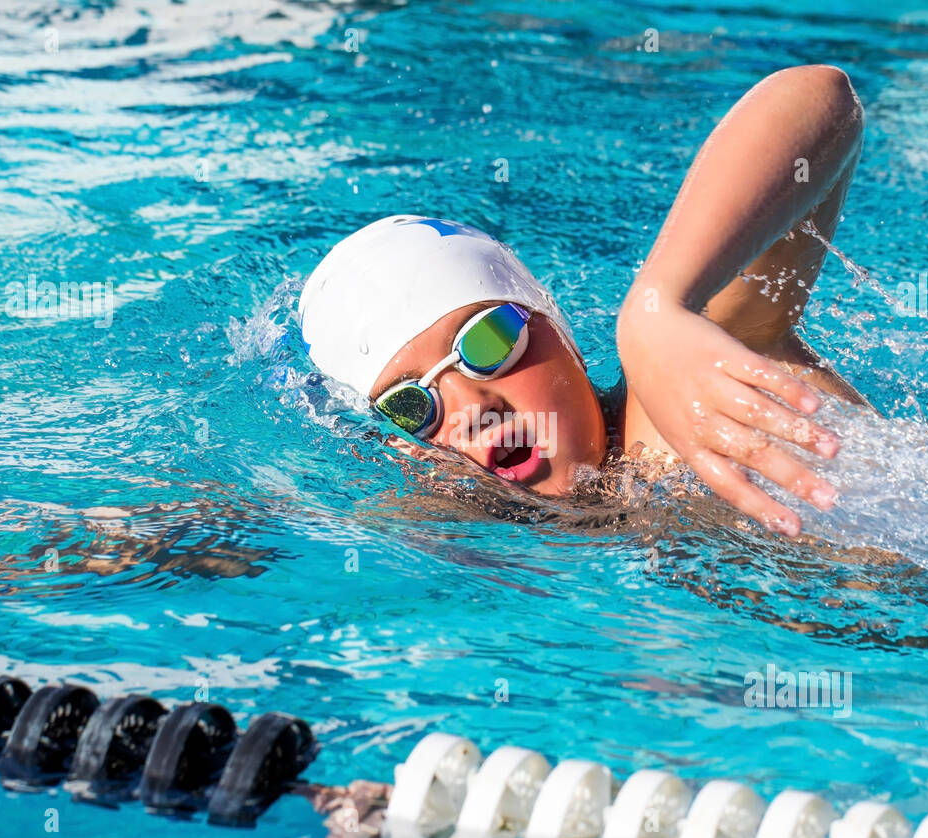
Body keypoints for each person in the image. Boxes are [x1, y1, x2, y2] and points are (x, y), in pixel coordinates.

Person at [299, 64, 866, 538]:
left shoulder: (685, 401)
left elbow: (819, 96)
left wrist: (660, 305)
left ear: (560, 331)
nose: (473, 409)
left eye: (486, 341)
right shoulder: (454, 523)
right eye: (411, 407)